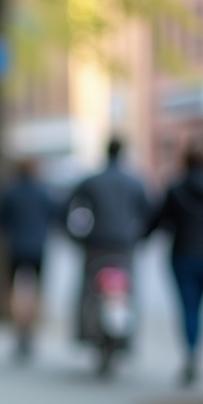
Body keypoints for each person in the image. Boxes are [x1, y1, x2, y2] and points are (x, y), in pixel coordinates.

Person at [146, 147, 203, 384]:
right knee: (201, 307)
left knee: (188, 307)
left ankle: (191, 354)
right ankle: (195, 352)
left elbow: (159, 220)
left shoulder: (175, 190)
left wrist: (142, 236)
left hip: (182, 256)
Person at [63, 137, 152, 344]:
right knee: (128, 290)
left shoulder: (91, 181)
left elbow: (67, 207)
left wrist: (76, 235)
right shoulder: (135, 182)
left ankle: (86, 332)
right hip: (124, 245)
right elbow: (149, 214)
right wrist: (139, 237)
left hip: (95, 244)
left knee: (90, 289)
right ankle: (127, 337)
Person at [0, 157, 59, 360]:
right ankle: (32, 329)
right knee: (37, 291)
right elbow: (54, 216)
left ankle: (19, 328)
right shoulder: (44, 192)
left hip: (15, 247)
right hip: (38, 248)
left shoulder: (9, 192)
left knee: (12, 290)